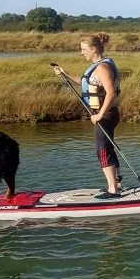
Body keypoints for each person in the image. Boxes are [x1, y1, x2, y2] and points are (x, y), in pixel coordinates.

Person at [52, 33, 123, 199]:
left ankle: (113, 189)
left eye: (84, 49)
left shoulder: (102, 67)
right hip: (106, 114)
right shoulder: (98, 65)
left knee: (102, 150)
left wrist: (99, 115)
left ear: (93, 49)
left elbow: (111, 93)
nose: (81, 53)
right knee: (108, 147)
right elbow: (86, 83)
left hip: (106, 115)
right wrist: (65, 74)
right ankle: (118, 183)